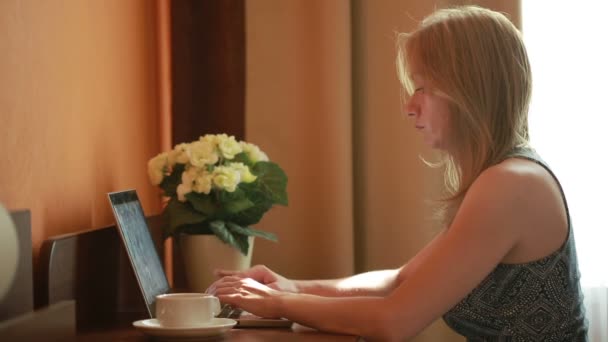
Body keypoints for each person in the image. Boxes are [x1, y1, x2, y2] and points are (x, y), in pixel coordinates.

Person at [207, 5, 588, 341]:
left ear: (470, 89)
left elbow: (396, 320)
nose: (409, 106)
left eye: (424, 87)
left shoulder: (511, 185)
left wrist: (280, 304)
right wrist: (291, 287)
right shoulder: (506, 176)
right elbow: (399, 282)